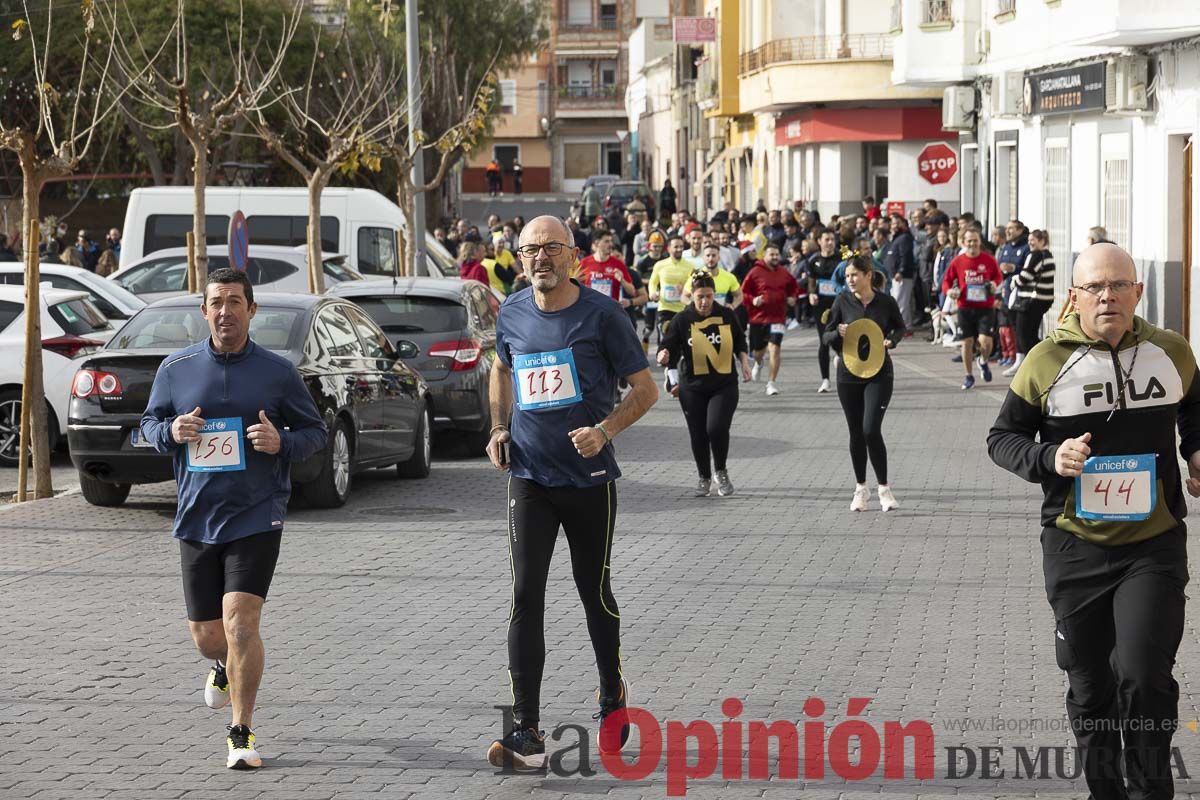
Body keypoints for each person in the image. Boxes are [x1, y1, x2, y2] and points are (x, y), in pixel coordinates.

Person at [987, 242, 1200, 800]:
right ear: (1074, 296)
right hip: (1074, 544)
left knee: (1143, 674)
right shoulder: (1046, 362)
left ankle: (1152, 791)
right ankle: (1103, 791)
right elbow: (1001, 438)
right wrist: (1046, 459)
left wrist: (1197, 451)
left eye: (1119, 285)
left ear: (1139, 291)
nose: (1108, 296)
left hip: (1152, 545)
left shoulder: (1170, 351)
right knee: (1090, 682)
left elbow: (1195, 408)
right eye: (1095, 287)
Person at [485, 216, 658, 770]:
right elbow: (501, 369)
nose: (540, 258)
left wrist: (605, 430)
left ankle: (612, 697)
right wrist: (498, 427)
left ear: (573, 256)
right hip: (530, 477)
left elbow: (646, 389)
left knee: (594, 592)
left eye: (551, 249)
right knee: (524, 597)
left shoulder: (603, 315)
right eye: (530, 249)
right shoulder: (511, 310)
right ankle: (526, 731)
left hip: (588, 481)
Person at [140, 268, 327, 770]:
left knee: (242, 621)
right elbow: (148, 425)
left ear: (251, 310)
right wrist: (171, 430)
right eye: (216, 302)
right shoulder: (175, 369)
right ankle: (222, 664)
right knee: (208, 636)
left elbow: (316, 432)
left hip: (256, 513)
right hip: (197, 516)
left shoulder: (278, 372)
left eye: (235, 302)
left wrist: (281, 442)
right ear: (204, 311)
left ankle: (240, 731)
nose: (225, 311)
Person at [657, 269, 751, 497]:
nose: (705, 301)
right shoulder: (682, 319)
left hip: (724, 383)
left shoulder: (726, 315)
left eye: (709, 296)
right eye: (700, 296)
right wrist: (663, 355)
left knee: (716, 428)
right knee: (698, 433)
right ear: (691, 295)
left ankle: (721, 470)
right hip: (692, 387)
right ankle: (704, 477)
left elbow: (740, 340)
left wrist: (745, 363)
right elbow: (667, 346)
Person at [822, 255, 905, 512]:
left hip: (879, 373)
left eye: (854, 275)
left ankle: (884, 489)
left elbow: (900, 328)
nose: (850, 280)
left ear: (868, 275)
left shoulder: (885, 302)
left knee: (871, 429)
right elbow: (826, 336)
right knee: (856, 432)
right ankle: (860, 488)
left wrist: (892, 340)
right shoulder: (842, 301)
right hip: (848, 374)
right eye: (847, 277)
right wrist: (838, 333)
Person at [941, 229, 1003, 390]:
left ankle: (982, 361)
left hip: (985, 307)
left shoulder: (988, 260)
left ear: (979, 242)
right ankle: (969, 376)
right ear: (963, 242)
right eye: (969, 241)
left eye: (975, 240)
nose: (972, 244)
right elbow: (946, 281)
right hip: (965, 307)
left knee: (986, 342)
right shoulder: (958, 261)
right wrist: (949, 291)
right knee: (966, 342)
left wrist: (994, 284)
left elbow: (998, 276)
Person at [740, 243, 799, 396]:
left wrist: (793, 297)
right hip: (758, 319)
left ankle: (771, 383)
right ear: (764, 256)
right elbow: (742, 292)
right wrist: (753, 300)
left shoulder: (784, 273)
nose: (774, 257)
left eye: (776, 254)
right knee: (757, 352)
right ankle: (759, 363)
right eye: (771, 254)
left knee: (775, 349)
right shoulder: (755, 272)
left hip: (778, 318)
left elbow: (794, 287)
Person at [1003, 229, 1056, 377]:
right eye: (1029, 240)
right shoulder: (1049, 255)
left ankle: (1035, 366)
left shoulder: (1036, 255)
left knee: (1023, 334)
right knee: (1031, 334)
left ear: (1042, 241)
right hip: (1043, 300)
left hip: (1031, 300)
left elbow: (1025, 277)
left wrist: (1014, 279)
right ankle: (1036, 363)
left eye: (1033, 240)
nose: (1030, 243)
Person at [807, 230, 842, 393]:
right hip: (821, 307)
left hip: (839, 304)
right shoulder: (814, 260)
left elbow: (851, 273)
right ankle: (825, 380)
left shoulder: (842, 257)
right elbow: (811, 282)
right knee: (824, 341)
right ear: (819, 241)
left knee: (839, 337)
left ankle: (842, 360)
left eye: (832, 239)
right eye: (826, 239)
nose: (830, 242)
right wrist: (811, 294)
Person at [648, 234, 694, 349]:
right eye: (676, 247)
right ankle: (665, 356)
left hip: (683, 308)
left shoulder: (690, 266)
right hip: (665, 308)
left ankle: (677, 358)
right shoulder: (660, 265)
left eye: (681, 247)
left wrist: (685, 289)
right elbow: (653, 282)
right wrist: (653, 293)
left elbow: (695, 287)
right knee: (667, 333)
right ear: (668, 248)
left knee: (683, 337)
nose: (679, 249)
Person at [995, 220, 1030, 367]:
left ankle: (1023, 359)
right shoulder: (1006, 247)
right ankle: (1013, 356)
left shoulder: (1026, 247)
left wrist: (1014, 268)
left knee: (1021, 328)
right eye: (1007, 228)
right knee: (1009, 326)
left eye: (1011, 228)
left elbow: (1029, 269)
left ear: (1020, 230)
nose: (1007, 231)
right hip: (1007, 292)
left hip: (1022, 294)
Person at [578, 230, 637, 306]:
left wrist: (622, 280)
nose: (611, 244)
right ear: (597, 243)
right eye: (606, 241)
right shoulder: (584, 263)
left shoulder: (618, 264)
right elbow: (576, 288)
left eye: (611, 241)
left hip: (611, 310)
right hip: (591, 310)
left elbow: (632, 292)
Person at [883, 215, 916, 330]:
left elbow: (905, 256)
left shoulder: (905, 238)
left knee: (901, 303)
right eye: (893, 223)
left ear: (904, 223)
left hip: (902, 276)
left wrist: (901, 271)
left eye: (898, 223)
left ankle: (905, 327)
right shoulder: (896, 238)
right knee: (897, 301)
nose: (895, 226)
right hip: (893, 276)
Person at [683, 243, 741, 307]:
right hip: (701, 315)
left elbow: (739, 295)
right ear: (703, 258)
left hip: (720, 314)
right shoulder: (696, 276)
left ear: (718, 257)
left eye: (713, 255)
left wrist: (732, 306)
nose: (711, 259)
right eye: (708, 255)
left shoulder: (729, 276)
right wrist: (693, 306)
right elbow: (684, 297)